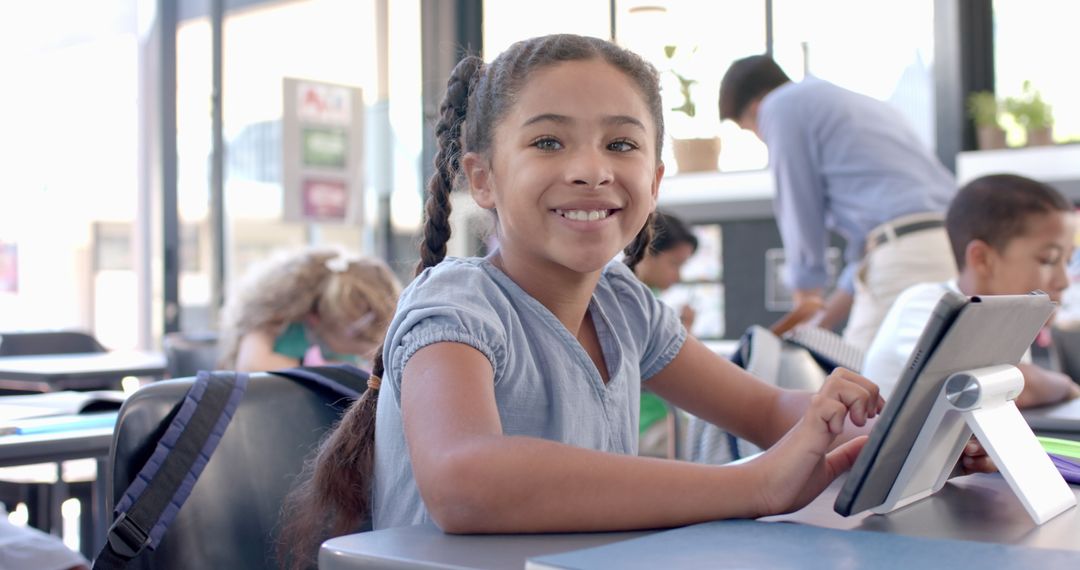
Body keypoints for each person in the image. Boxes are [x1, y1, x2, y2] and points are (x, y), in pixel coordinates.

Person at [279, 34, 989, 569]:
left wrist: (916, 435)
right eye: (549, 141)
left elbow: (768, 411)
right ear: (483, 177)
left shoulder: (624, 303)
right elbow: (466, 482)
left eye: (620, 144)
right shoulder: (455, 303)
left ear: (653, 179)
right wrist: (750, 486)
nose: (591, 170)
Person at [718, 54, 958, 351]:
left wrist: (805, 296)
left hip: (904, 253)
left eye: (751, 131)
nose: (762, 138)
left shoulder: (779, 107)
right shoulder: (844, 102)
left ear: (755, 109)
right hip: (949, 241)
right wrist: (822, 318)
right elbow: (870, 254)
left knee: (862, 383)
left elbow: (799, 208)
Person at [863, 174, 1080, 408]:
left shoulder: (1008, 324)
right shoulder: (925, 304)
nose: (1064, 281)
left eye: (1067, 261)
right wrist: (1066, 386)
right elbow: (980, 387)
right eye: (1049, 259)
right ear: (982, 259)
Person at [217, 246, 400, 372]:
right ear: (316, 317)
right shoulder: (275, 320)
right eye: (357, 333)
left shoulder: (355, 341)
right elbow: (251, 365)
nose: (369, 344)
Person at [633, 211, 699, 457]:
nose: (678, 276)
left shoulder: (651, 300)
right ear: (648, 252)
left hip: (661, 418)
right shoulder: (633, 301)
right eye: (675, 264)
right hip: (647, 426)